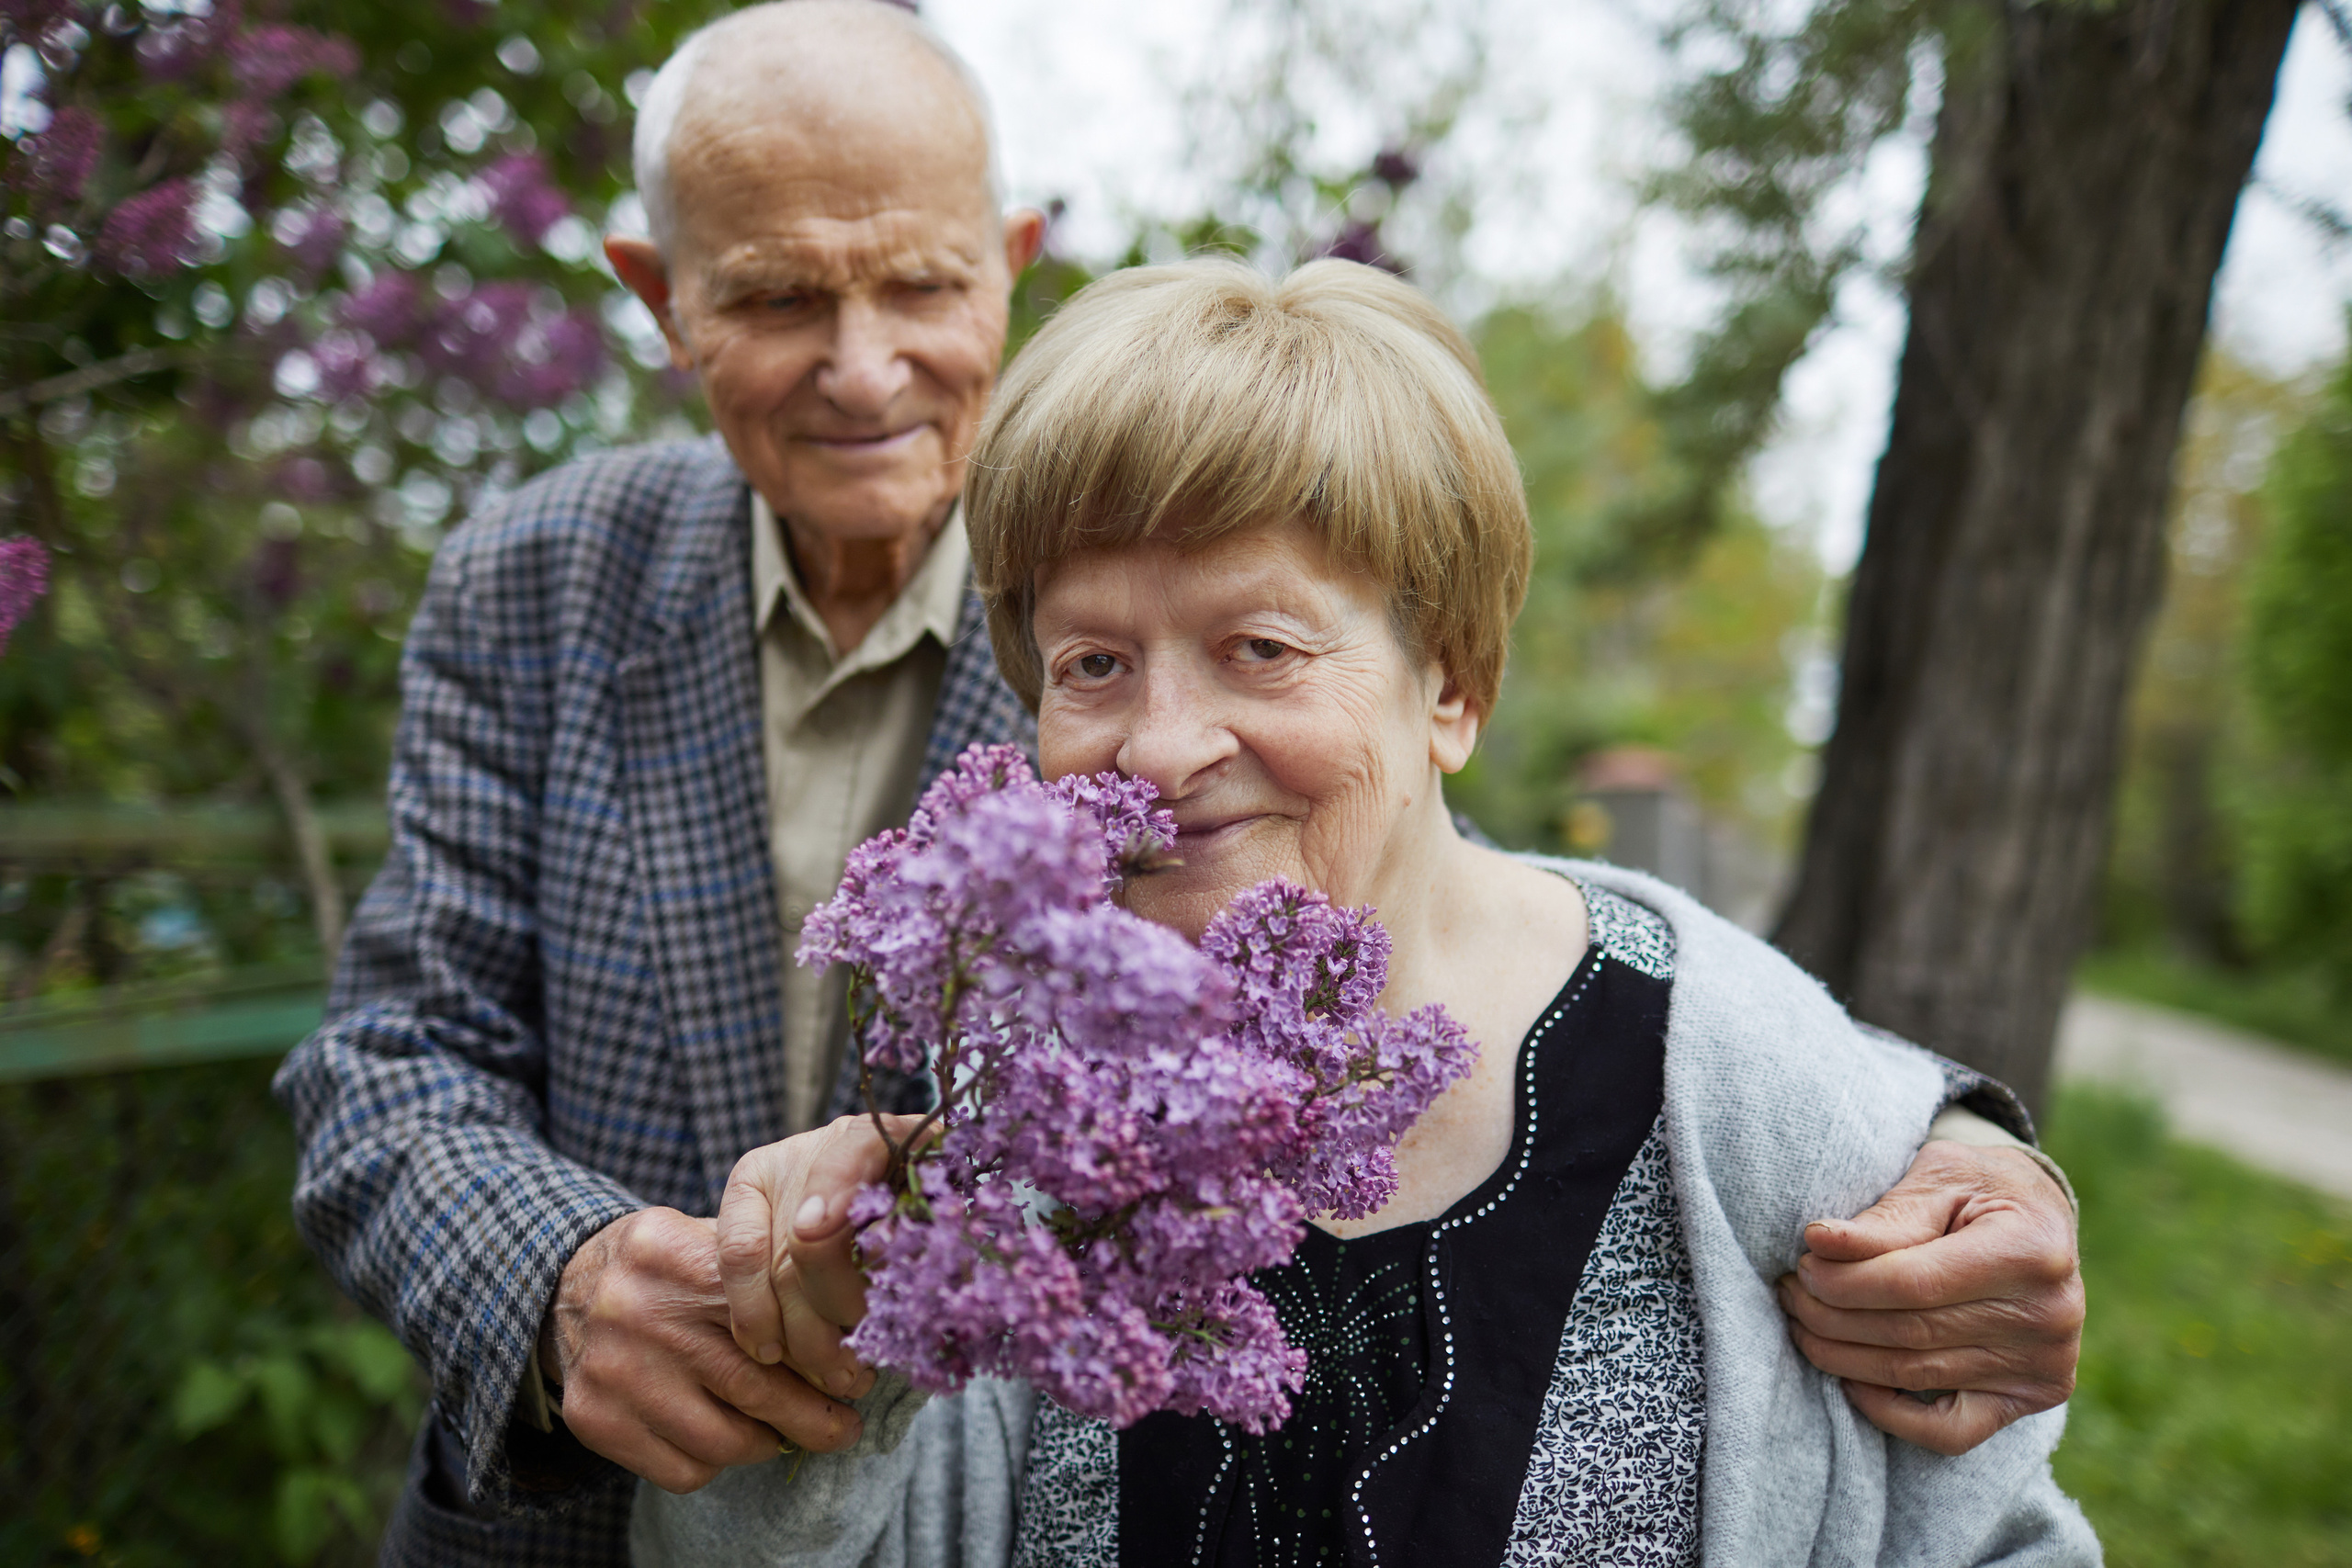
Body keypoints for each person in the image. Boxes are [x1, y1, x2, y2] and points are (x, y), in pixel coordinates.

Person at [273, 5, 2080, 1565]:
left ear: (1010, 256)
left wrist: (1940, 1138)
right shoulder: (542, 576)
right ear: (661, 302)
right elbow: (387, 1054)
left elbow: (1425, 885)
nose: (861, 363)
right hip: (639, 1511)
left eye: (918, 282)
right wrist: (581, 1276)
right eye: (772, 297)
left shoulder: (1133, 532)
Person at [636, 258, 2097, 1565]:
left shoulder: (1728, 1091)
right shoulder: (1022, 1100)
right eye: (1091, 665)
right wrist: (816, 1364)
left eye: (1258, 648)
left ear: (1451, 688)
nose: (1157, 744)